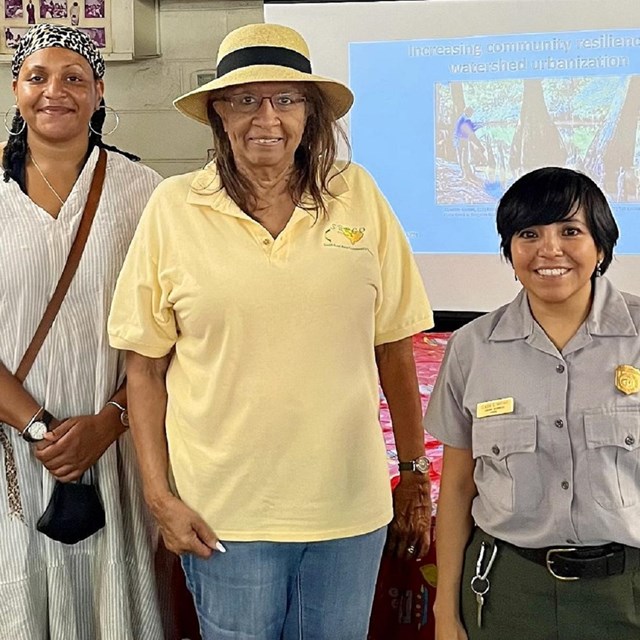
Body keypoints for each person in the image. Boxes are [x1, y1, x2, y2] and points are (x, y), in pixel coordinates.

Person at [108, 22, 434, 640]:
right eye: (245, 100)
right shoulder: (175, 207)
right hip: (225, 514)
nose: (267, 118)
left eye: (287, 99)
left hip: (348, 509)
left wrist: (413, 469)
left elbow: (393, 342)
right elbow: (144, 368)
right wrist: (159, 497)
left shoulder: (357, 194)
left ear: (310, 115)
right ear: (217, 114)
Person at [425, 166, 640, 640]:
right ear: (509, 249)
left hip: (628, 591)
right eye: (529, 233)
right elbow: (458, 489)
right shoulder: (473, 347)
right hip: (508, 592)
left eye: (570, 231)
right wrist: (445, 611)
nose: (549, 249)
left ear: (600, 245)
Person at [0, 24, 164, 639]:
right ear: (15, 88)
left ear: (100, 91)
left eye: (74, 78)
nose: (54, 91)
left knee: (113, 601)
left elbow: (168, 327)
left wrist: (111, 419)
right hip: (12, 451)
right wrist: (41, 429)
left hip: (116, 442)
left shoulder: (143, 192)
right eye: (37, 76)